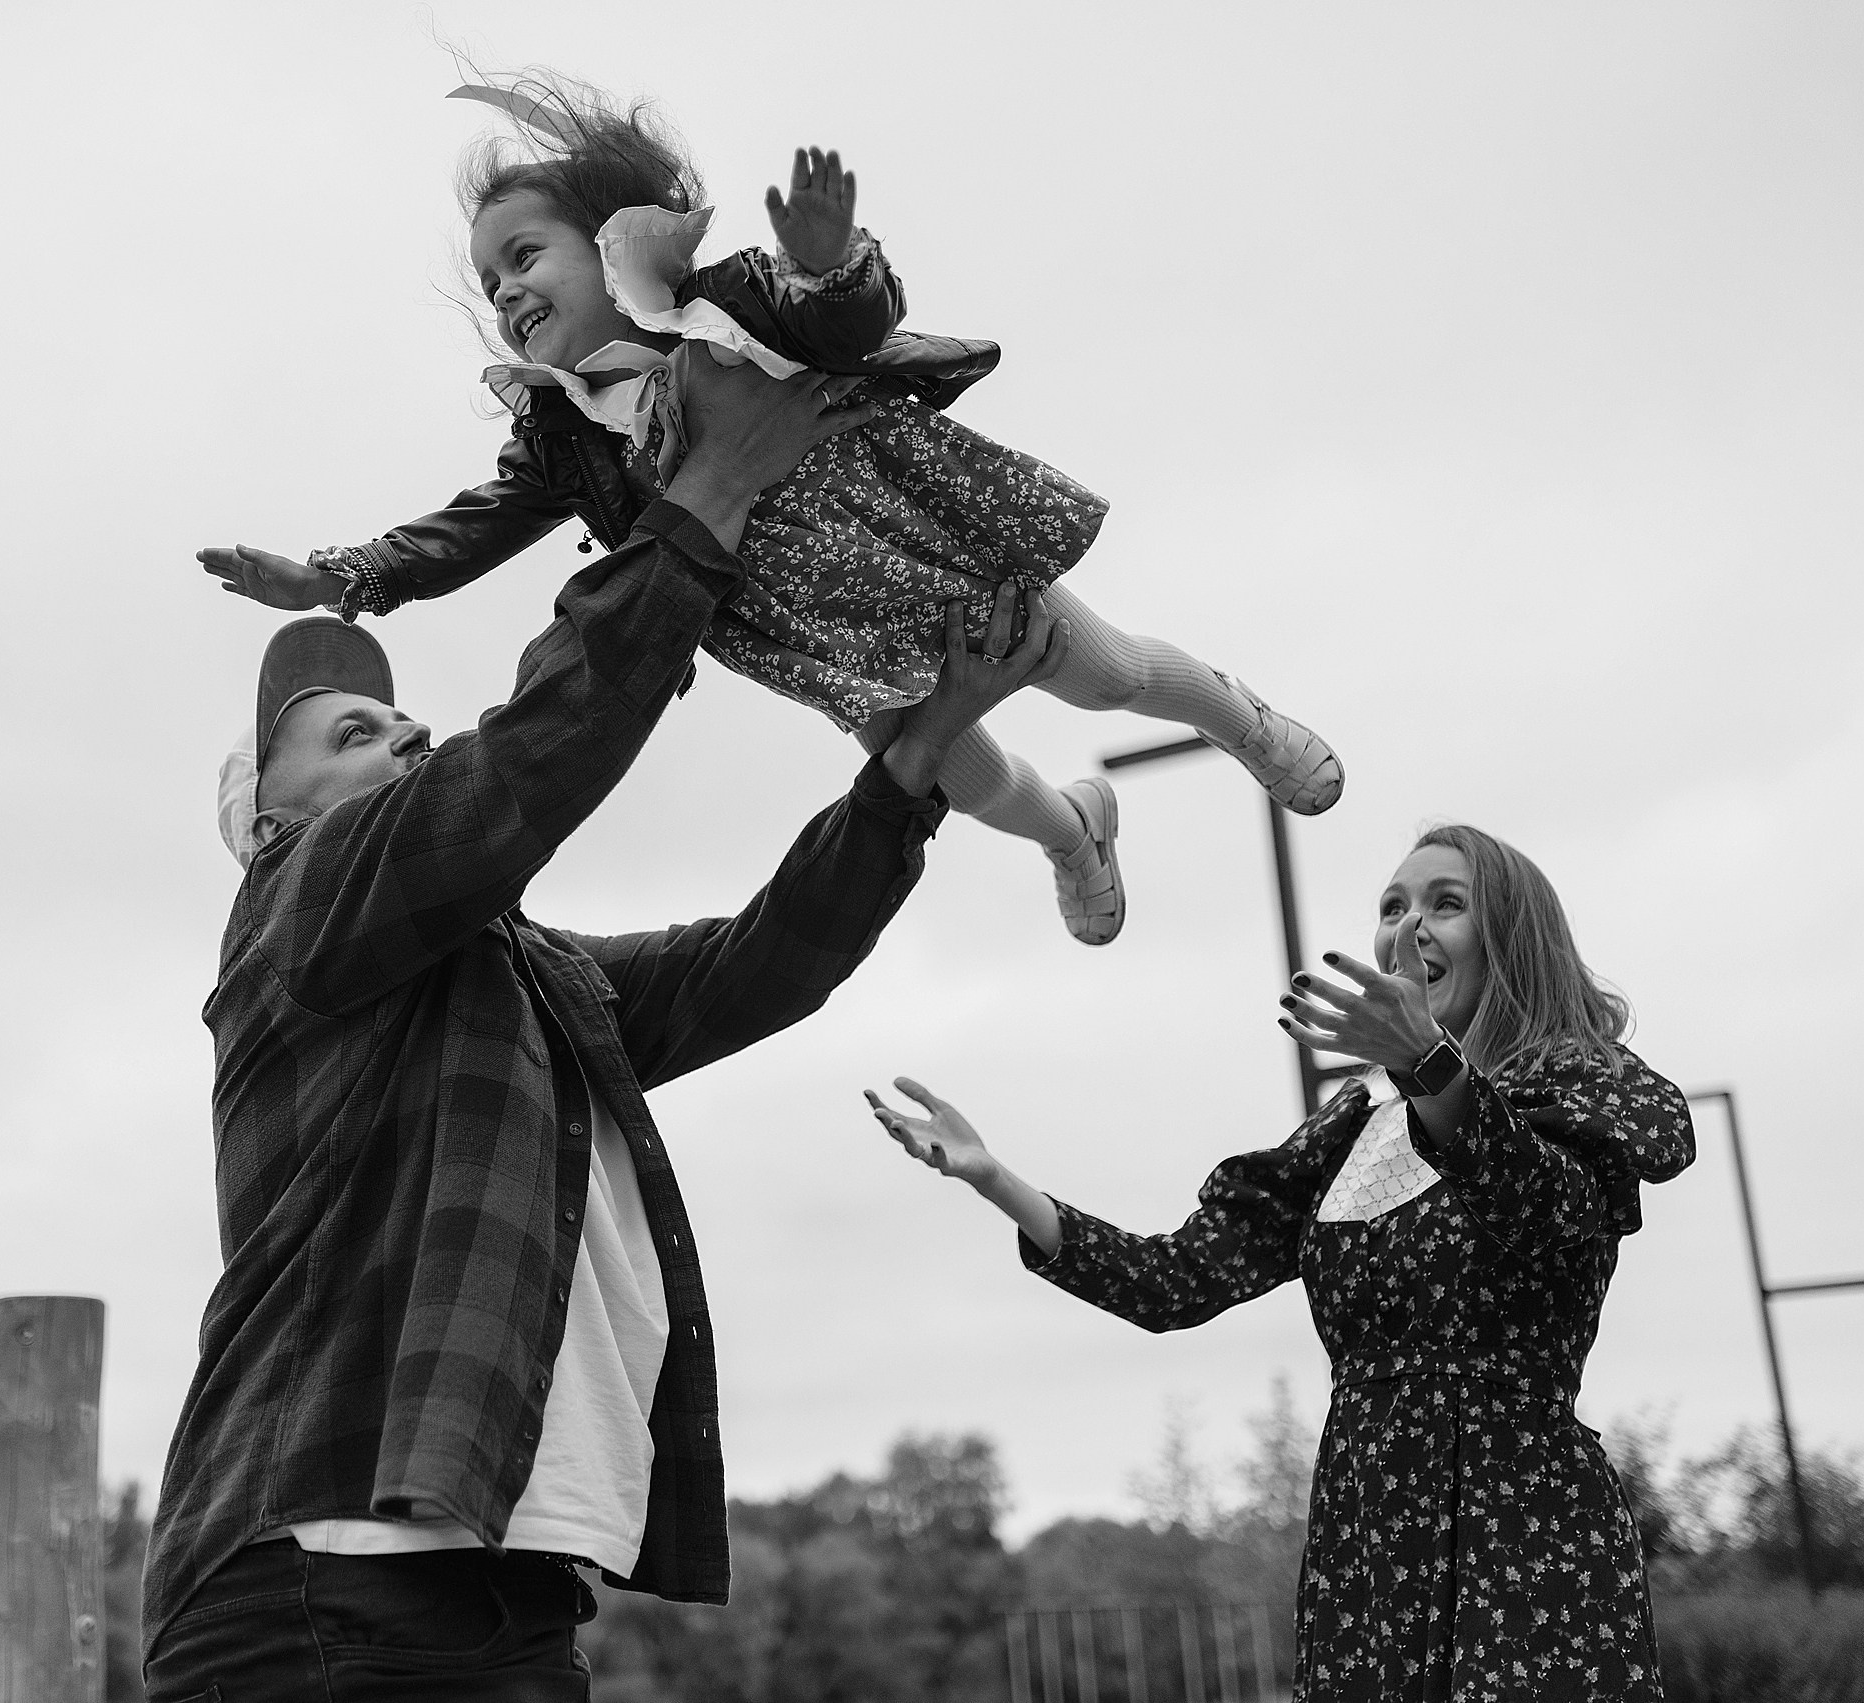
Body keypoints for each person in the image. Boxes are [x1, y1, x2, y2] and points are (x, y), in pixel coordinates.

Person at [144, 351, 1072, 1701]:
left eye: (400, 713)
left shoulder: (521, 979)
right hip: (313, 1574)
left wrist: (916, 756)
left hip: (502, 1587)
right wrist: (709, 491)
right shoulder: (301, 903)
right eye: (349, 732)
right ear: (272, 822)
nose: (404, 728)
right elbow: (533, 753)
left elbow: (756, 966)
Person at [202, 74, 1344, 948]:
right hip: (813, 633)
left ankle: (1238, 719)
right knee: (949, 773)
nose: (505, 291)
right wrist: (346, 575)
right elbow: (479, 521)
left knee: (1101, 673)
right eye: (491, 282)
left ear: (611, 241)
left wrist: (826, 261)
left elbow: (842, 324)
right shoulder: (563, 428)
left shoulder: (720, 307)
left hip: (914, 546)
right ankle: (1072, 831)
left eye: (524, 255)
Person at [866, 825, 1696, 1700]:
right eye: (1391, 906)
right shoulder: (1351, 1129)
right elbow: (1173, 1281)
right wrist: (993, 1178)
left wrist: (1429, 1067)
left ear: (1510, 940)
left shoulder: (1574, 1083)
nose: (1408, 925)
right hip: (1367, 1546)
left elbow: (1539, 1205)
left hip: (1519, 1526)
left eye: (1445, 903)